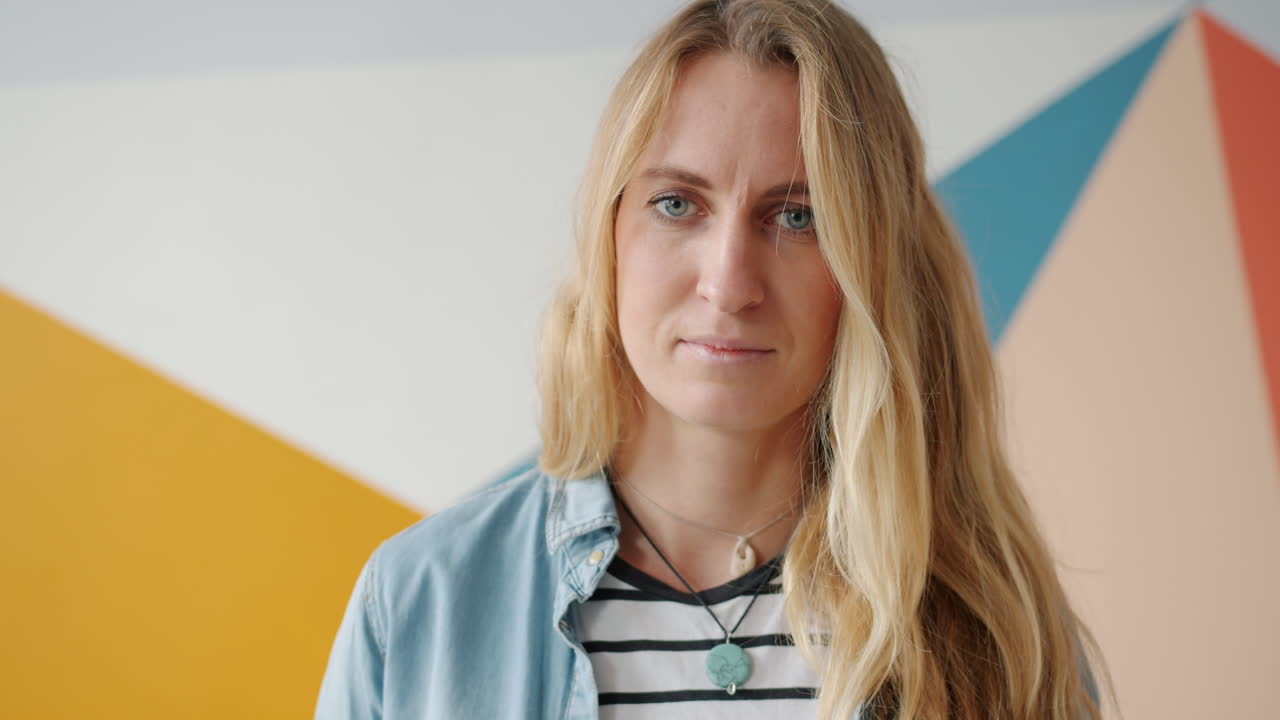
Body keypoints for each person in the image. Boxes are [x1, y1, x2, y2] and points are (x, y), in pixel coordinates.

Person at [315, 1, 1112, 718]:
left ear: (875, 263)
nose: (729, 282)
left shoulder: (998, 632)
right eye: (677, 204)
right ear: (610, 235)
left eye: (797, 215)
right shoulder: (423, 604)